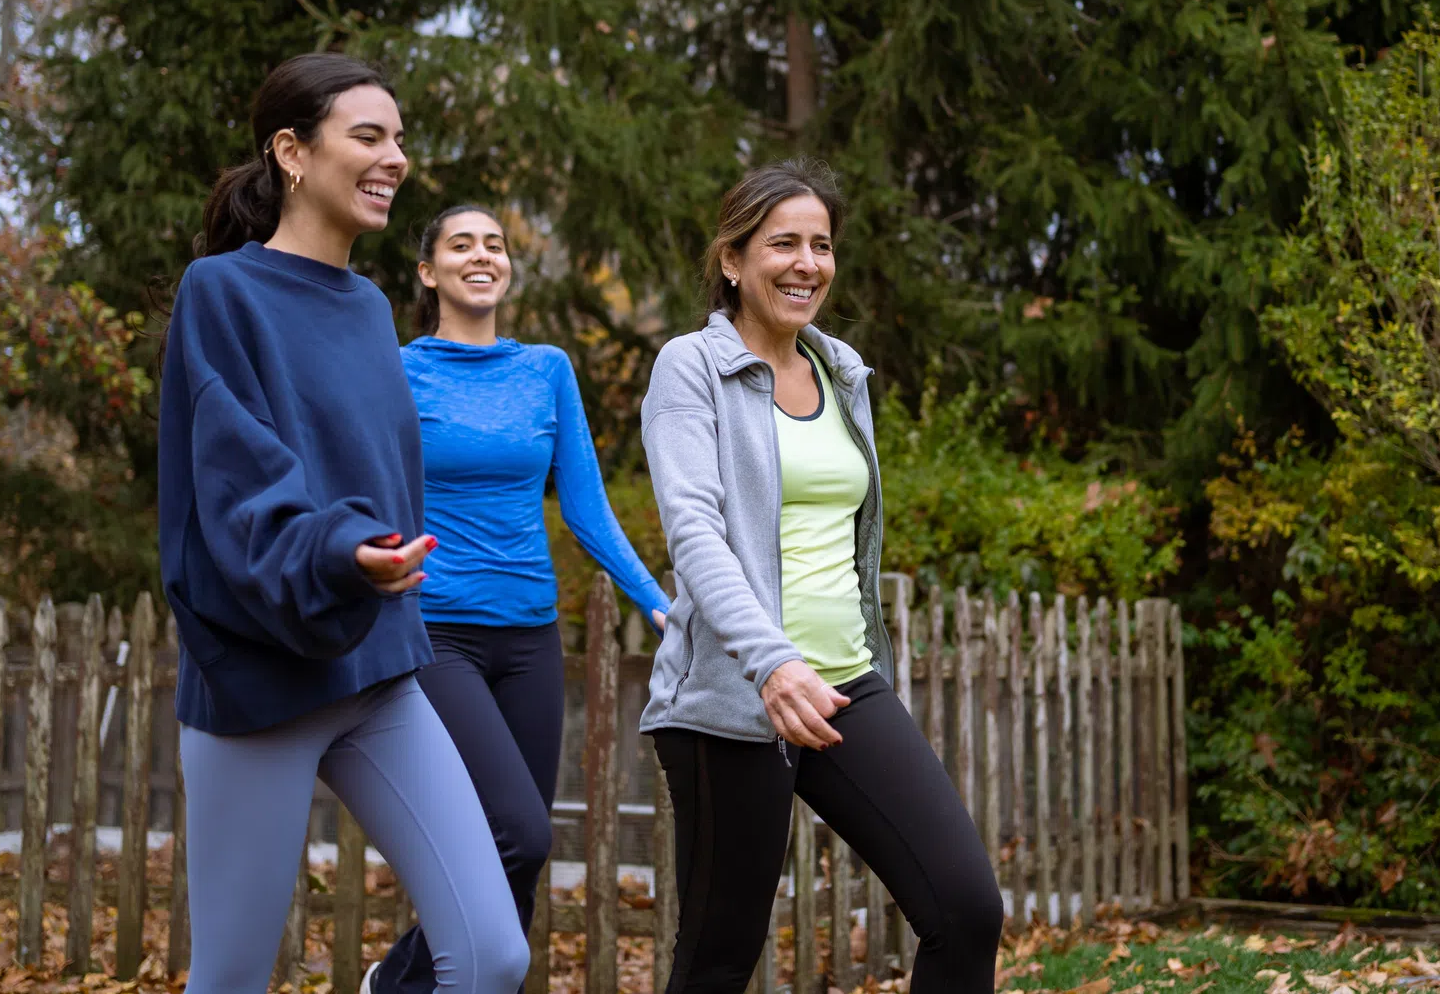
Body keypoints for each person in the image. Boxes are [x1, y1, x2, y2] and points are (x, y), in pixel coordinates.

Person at [158, 54, 528, 994]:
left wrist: (381, 561)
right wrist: (336, 550)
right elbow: (236, 478)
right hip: (257, 683)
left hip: (377, 670)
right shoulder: (221, 292)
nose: (395, 157)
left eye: (399, 138)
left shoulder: (370, 307)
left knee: (491, 956)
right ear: (292, 150)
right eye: (369, 135)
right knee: (233, 976)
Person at [640, 160, 1004, 993]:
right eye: (783, 244)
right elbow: (695, 532)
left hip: (845, 683)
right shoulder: (689, 367)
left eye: (821, 245)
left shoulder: (841, 369)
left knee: (964, 906)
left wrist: (821, 662)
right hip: (731, 701)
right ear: (733, 260)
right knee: (719, 958)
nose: (807, 262)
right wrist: (771, 660)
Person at [365, 205, 672, 994]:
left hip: (530, 636)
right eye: (460, 244)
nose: (482, 255)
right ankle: (398, 983)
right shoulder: (398, 368)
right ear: (428, 271)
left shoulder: (546, 369)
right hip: (437, 633)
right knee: (517, 830)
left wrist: (655, 602)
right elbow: (366, 485)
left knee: (523, 854)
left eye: (494, 244)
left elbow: (585, 505)